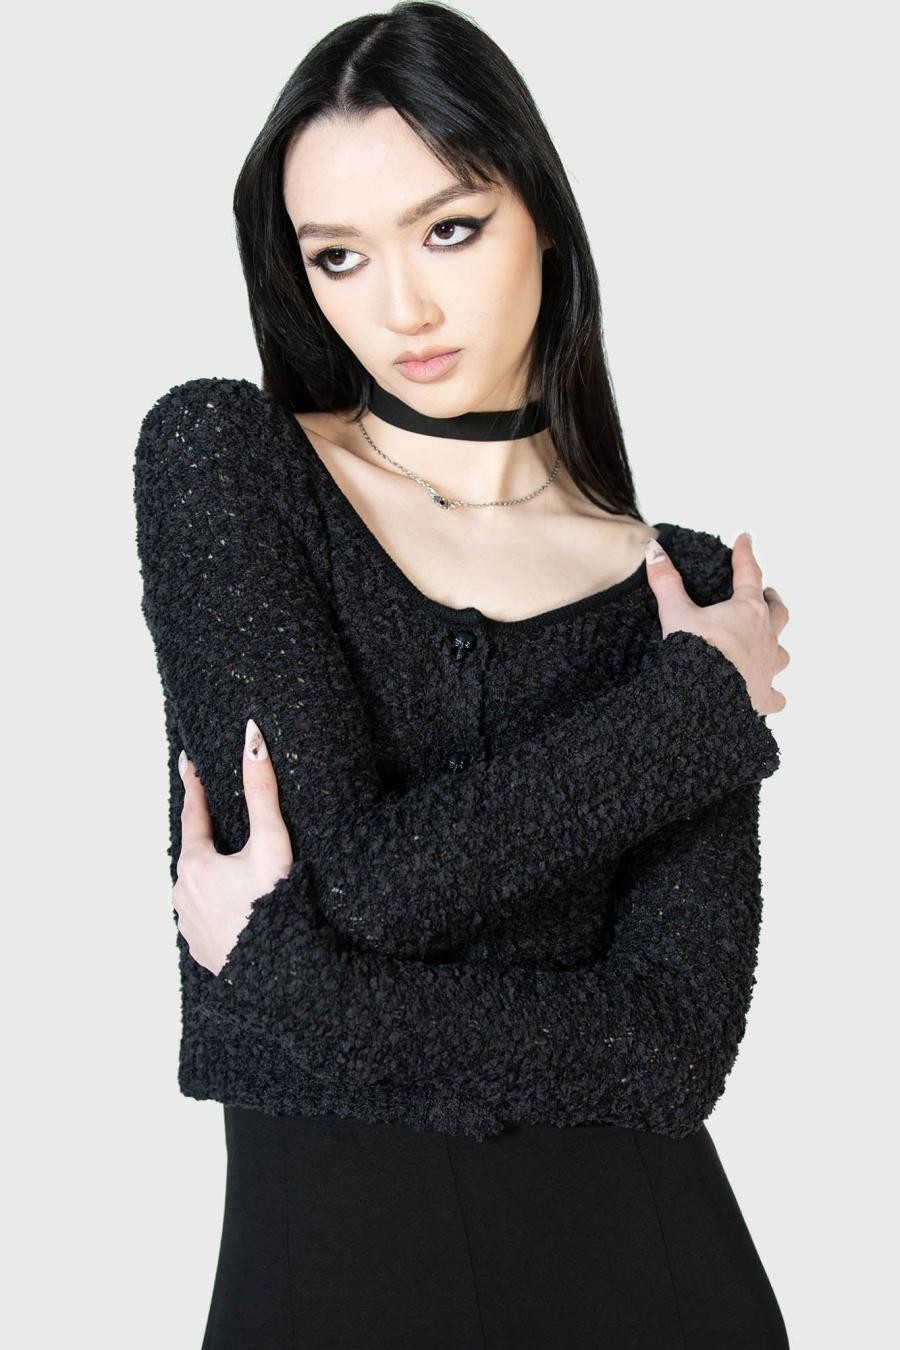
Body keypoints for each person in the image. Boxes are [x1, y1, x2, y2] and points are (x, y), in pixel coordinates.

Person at [133, 4, 792, 1346]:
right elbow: (359, 885)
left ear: (541, 213)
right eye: (339, 254)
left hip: (657, 1288)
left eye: (449, 228)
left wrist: (301, 989)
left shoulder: (681, 591)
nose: (403, 308)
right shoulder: (229, 463)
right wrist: (682, 720)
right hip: (322, 1289)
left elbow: (671, 1049)